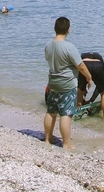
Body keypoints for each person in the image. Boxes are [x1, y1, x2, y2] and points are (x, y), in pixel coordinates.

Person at [43, 17, 93, 149]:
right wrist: (89, 78)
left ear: (55, 29)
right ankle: (66, 144)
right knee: (66, 114)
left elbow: (48, 59)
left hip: (52, 82)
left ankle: (48, 139)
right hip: (67, 85)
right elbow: (80, 66)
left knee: (51, 111)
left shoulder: (48, 45)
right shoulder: (69, 47)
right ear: (68, 30)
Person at [78, 52, 104, 120]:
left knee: (80, 92)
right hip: (98, 65)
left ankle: (78, 113)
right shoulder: (100, 58)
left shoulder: (82, 55)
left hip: (84, 64)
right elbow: (99, 88)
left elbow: (79, 80)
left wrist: (83, 90)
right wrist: (91, 100)